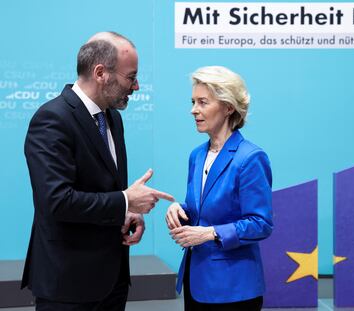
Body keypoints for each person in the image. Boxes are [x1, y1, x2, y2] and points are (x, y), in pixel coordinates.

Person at [22, 31, 174, 310]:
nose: (137, 86)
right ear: (101, 72)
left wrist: (127, 214)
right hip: (69, 286)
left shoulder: (112, 117)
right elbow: (57, 201)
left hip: (112, 281)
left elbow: (103, 190)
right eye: (131, 77)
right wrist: (126, 200)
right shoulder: (52, 119)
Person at [166, 66, 273, 311]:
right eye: (193, 101)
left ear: (228, 107)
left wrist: (210, 233)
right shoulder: (196, 155)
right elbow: (200, 211)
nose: (194, 110)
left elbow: (261, 223)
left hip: (234, 289)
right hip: (196, 281)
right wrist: (178, 210)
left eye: (203, 102)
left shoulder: (250, 157)